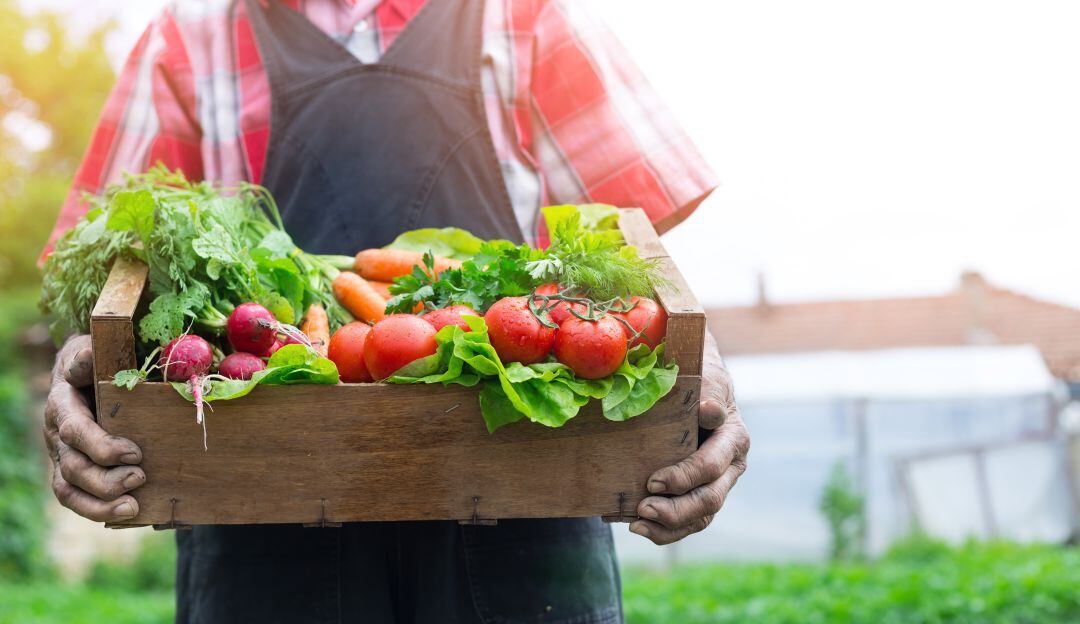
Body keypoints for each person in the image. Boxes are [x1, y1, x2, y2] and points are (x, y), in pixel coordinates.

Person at [41, 0, 750, 622]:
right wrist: (78, 379)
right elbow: (108, 271)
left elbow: (636, 252)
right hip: (262, 505)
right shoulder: (188, 36)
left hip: (525, 481)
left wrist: (702, 376)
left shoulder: (522, 11)